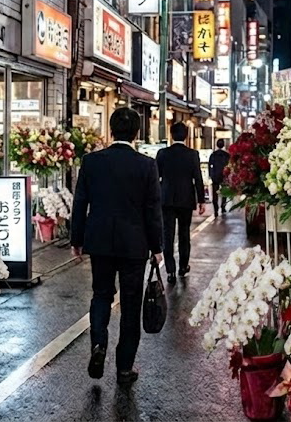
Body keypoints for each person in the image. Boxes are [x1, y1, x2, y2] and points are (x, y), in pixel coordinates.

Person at [71, 107, 163, 386]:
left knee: (101, 295)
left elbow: (80, 203)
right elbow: (152, 209)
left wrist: (77, 239)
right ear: (137, 133)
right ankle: (124, 368)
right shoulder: (146, 165)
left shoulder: (91, 161)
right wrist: (157, 247)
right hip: (134, 244)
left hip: (99, 241)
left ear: (111, 130)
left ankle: (98, 344)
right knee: (131, 304)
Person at [155, 122, 205, 284]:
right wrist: (201, 200)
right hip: (186, 199)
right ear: (186, 135)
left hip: (167, 198)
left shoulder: (163, 154)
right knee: (184, 234)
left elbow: (156, 178)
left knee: (167, 235)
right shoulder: (192, 154)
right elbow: (198, 178)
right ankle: (183, 267)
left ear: (171, 135)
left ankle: (170, 270)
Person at [208, 139, 231, 218]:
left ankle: (216, 209)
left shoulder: (213, 155)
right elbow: (229, 166)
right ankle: (223, 207)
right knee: (224, 192)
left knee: (215, 193)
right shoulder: (227, 155)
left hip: (215, 176)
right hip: (224, 176)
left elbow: (210, 166)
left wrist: (210, 175)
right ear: (223, 145)